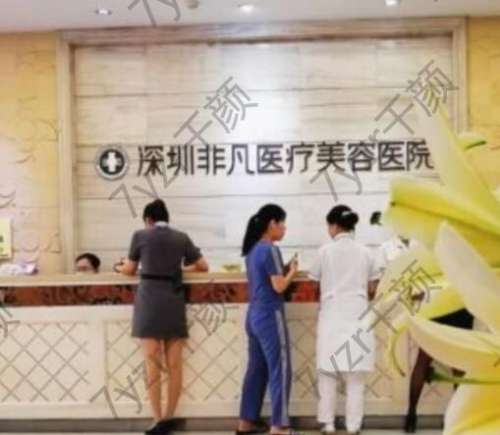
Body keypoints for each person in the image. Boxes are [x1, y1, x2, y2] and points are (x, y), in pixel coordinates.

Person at [116, 199, 209, 435]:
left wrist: (120, 267)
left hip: (149, 300)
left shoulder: (140, 235)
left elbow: (129, 270)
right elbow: (203, 266)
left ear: (148, 219)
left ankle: (157, 419)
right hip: (173, 299)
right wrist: (179, 269)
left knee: (152, 364)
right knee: (175, 364)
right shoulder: (181, 237)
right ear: (167, 218)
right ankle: (169, 417)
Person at [310, 205, 379, 435]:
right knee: (355, 376)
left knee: (328, 373)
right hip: (358, 314)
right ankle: (353, 426)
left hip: (332, 315)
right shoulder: (366, 252)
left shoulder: (324, 252)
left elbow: (313, 283)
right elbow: (373, 287)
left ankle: (328, 424)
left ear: (334, 226)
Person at [236, 204, 299, 435]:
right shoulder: (270, 249)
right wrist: (292, 271)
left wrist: (283, 270)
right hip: (270, 316)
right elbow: (279, 286)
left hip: (253, 316)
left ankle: (245, 423)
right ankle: (279, 427)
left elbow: (265, 279)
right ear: (272, 223)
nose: (284, 228)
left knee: (256, 370)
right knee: (280, 369)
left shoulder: (253, 250)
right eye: (282, 223)